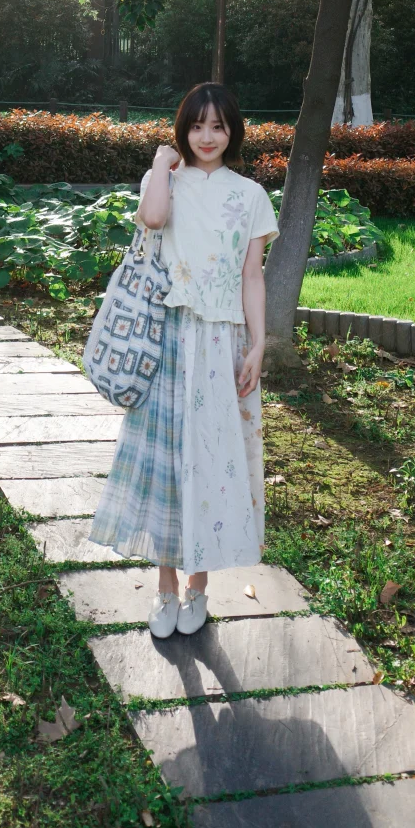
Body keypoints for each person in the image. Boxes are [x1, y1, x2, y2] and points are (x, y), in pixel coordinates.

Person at [88, 81, 279, 639]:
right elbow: (152, 220)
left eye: (218, 126)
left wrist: (258, 344)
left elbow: (251, 276)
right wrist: (159, 163)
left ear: (232, 131)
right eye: (197, 126)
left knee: (209, 465)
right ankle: (165, 588)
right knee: (167, 464)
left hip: (223, 344)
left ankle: (198, 587)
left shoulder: (250, 195)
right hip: (168, 338)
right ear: (183, 130)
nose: (207, 136)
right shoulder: (165, 181)